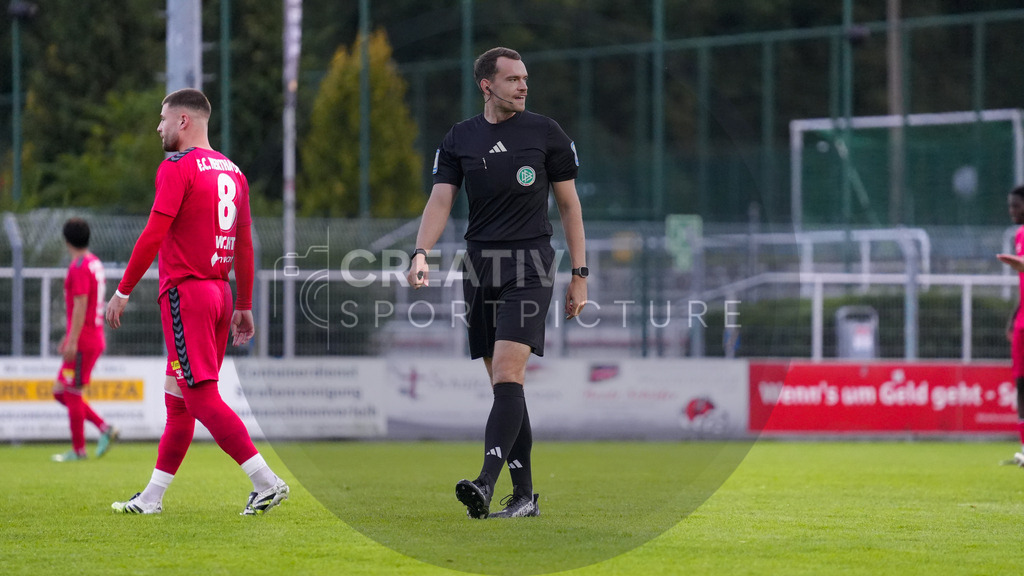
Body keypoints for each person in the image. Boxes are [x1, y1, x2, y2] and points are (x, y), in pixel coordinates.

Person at [406, 47, 588, 519]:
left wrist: (580, 276)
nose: (523, 86)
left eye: (525, 78)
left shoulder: (546, 133)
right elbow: (440, 200)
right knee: (506, 387)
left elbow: (570, 207)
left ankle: (485, 483)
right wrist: (420, 252)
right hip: (479, 268)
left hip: (531, 266)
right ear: (487, 86)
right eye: (512, 79)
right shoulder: (459, 138)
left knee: (508, 374)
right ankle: (525, 497)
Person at [105, 88, 288, 515]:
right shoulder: (233, 170)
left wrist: (122, 290)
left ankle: (266, 481)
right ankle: (152, 498)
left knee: (201, 396)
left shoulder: (177, 165)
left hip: (187, 293)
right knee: (179, 400)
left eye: (163, 119)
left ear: (183, 121)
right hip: (220, 294)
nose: (159, 127)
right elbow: (245, 244)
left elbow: (153, 232)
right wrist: (243, 302)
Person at [51, 218, 119, 462]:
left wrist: (72, 340)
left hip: (85, 339)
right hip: (90, 336)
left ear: (66, 240)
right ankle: (104, 428)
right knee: (61, 392)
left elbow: (80, 305)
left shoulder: (79, 266)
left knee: (71, 391)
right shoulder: (94, 262)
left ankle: (79, 450)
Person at [997, 184, 1024, 466]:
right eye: (1011, 206)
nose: (1012, 211)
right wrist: (1014, 316)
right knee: (1021, 383)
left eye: (1017, 206)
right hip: (1021, 322)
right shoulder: (1019, 234)